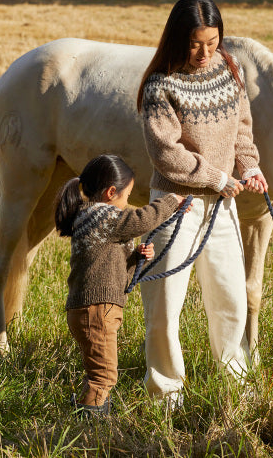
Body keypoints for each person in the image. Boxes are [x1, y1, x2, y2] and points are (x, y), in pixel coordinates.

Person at [137, 0, 268, 403]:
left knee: (230, 299)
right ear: (179, 38)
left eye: (212, 42)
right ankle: (164, 393)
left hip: (222, 206)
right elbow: (165, 152)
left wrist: (248, 167)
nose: (205, 52)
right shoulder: (160, 85)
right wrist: (216, 178)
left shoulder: (229, 70)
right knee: (163, 307)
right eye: (196, 43)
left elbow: (242, 129)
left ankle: (236, 387)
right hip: (175, 206)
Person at [54, 153, 187, 418]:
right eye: (126, 196)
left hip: (92, 308)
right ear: (111, 192)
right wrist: (172, 200)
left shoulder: (91, 217)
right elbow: (141, 220)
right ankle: (91, 421)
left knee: (98, 370)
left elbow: (107, 263)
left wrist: (135, 257)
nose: (127, 203)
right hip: (97, 310)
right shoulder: (102, 214)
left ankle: (89, 407)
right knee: (104, 375)